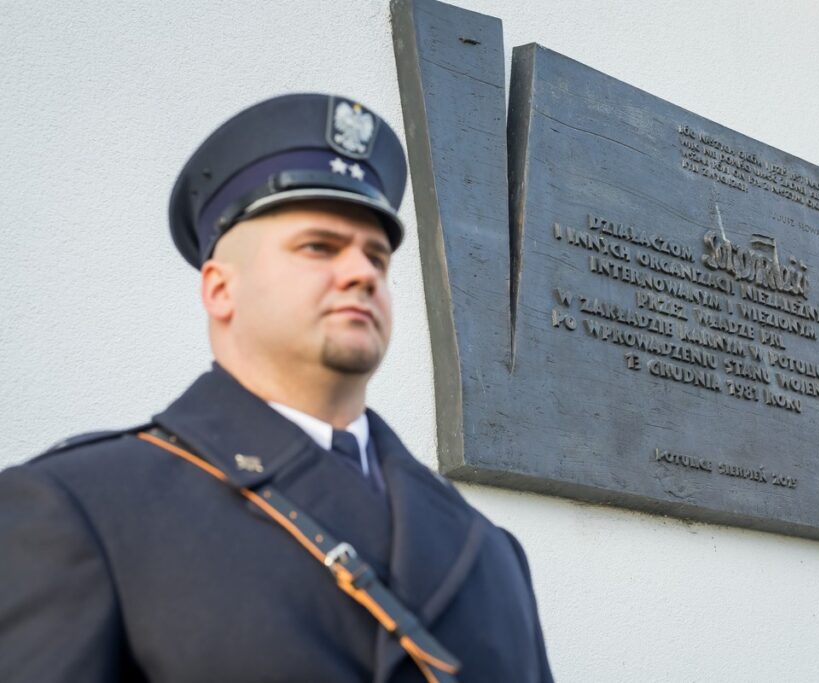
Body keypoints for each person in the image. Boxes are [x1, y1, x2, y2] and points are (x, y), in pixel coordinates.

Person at [0, 94, 554, 682]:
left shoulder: (492, 553)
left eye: (376, 257)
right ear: (220, 290)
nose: (363, 273)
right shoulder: (81, 507)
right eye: (319, 247)